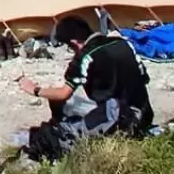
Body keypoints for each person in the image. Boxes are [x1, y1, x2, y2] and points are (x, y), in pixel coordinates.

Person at [17, 16, 153, 160]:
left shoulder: (85, 56)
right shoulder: (123, 44)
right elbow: (144, 78)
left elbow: (64, 94)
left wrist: (35, 90)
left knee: (58, 110)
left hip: (120, 122)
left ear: (74, 43)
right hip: (144, 115)